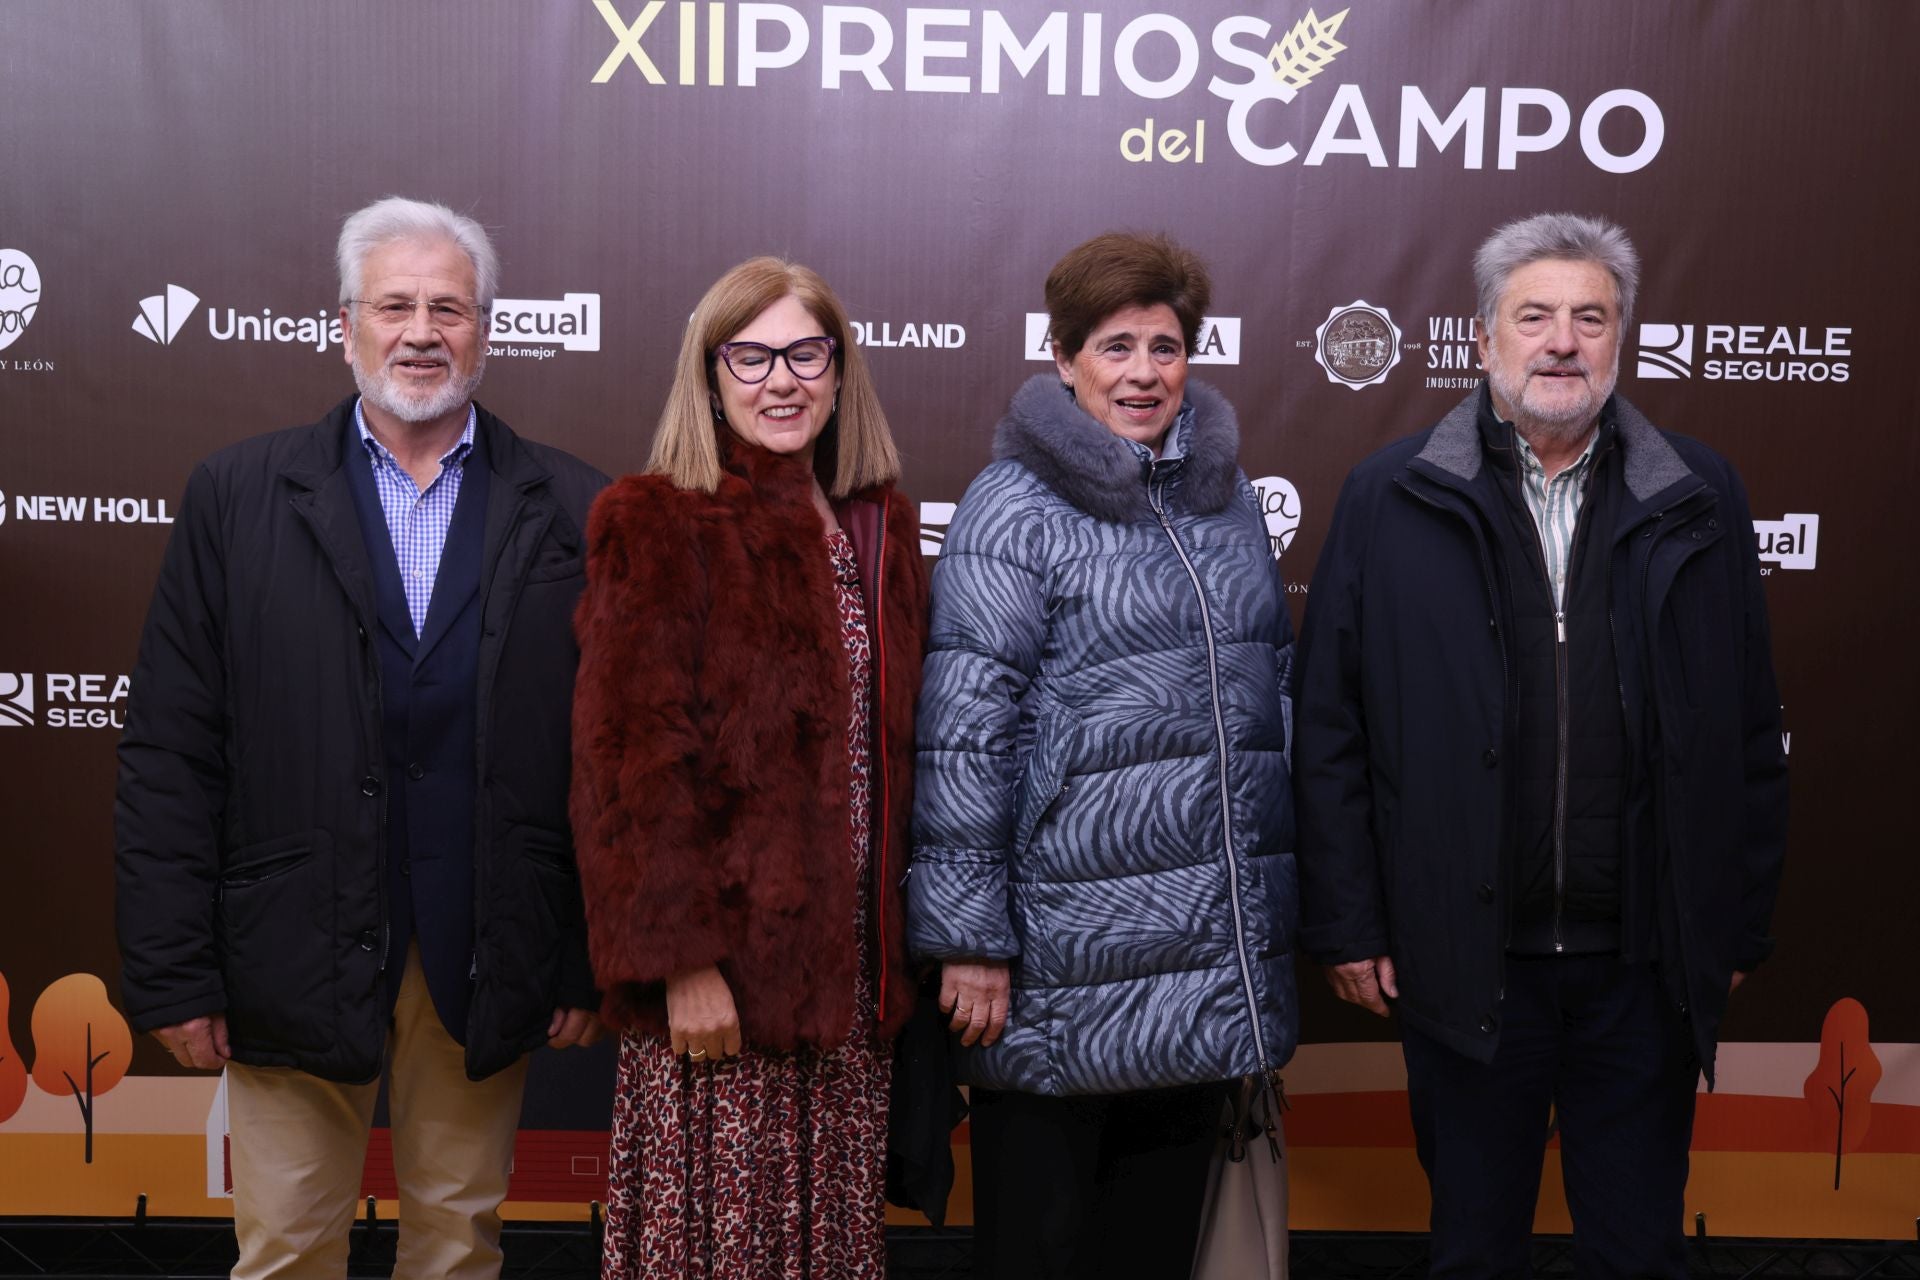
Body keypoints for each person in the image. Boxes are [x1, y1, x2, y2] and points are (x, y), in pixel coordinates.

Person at [115, 196, 607, 1278]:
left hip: (486, 940)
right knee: (288, 1240)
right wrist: (172, 972)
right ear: (345, 323)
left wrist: (583, 954)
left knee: (458, 1240)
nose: (421, 330)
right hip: (289, 936)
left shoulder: (575, 504)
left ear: (486, 329)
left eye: (449, 306)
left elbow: (607, 761)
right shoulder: (236, 496)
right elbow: (170, 746)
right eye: (395, 304)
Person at [1293, 212, 1789, 1277]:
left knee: (1637, 1247)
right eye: (1536, 317)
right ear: (1483, 340)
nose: (1563, 341)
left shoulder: (1697, 495)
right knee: (1472, 1249)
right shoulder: (1391, 494)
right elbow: (1329, 724)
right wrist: (1348, 920)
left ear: (1622, 339)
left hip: (1644, 969)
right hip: (1467, 965)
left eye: (1590, 318)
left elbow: (1750, 726)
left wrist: (1730, 929)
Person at [907, 231, 1299, 1279]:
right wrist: (969, 939)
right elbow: (963, 735)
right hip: (1055, 971)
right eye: (1115, 344)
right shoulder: (1013, 507)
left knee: (1152, 1255)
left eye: (1164, 346)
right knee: (1038, 1255)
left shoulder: (1229, 505)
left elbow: (1269, 710)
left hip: (1199, 976)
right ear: (1065, 354)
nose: (1142, 372)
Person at [570, 256, 929, 1278]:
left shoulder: (876, 528)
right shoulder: (660, 519)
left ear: (840, 368)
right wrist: (678, 963)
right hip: (723, 992)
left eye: (806, 352)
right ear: (712, 373)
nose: (783, 379)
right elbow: (627, 768)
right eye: (753, 355)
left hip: (850, 995)